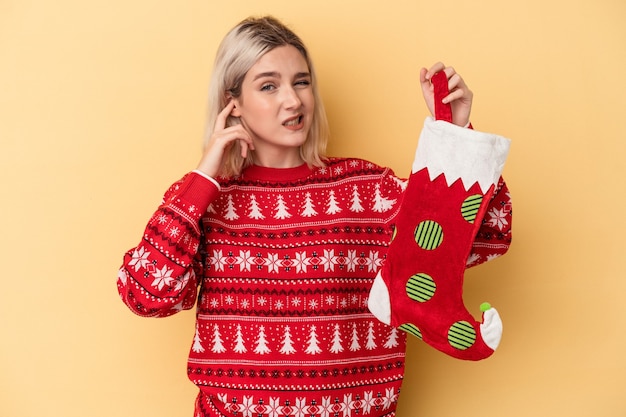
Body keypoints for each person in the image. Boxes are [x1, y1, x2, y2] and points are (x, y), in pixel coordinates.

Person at [117, 15, 512, 417]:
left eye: (301, 82)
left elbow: (486, 237)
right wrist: (204, 178)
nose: (293, 100)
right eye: (269, 85)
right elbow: (147, 295)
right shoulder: (205, 201)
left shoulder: (368, 190)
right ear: (231, 102)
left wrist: (456, 136)